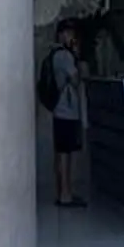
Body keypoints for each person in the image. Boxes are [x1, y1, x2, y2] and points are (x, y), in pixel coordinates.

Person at [48, 19, 86, 206]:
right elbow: (76, 80)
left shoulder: (56, 54)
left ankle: (63, 192)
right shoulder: (64, 56)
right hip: (66, 110)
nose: (72, 37)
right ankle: (65, 195)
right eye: (70, 33)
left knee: (62, 152)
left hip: (60, 110)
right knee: (65, 153)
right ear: (62, 34)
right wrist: (77, 57)